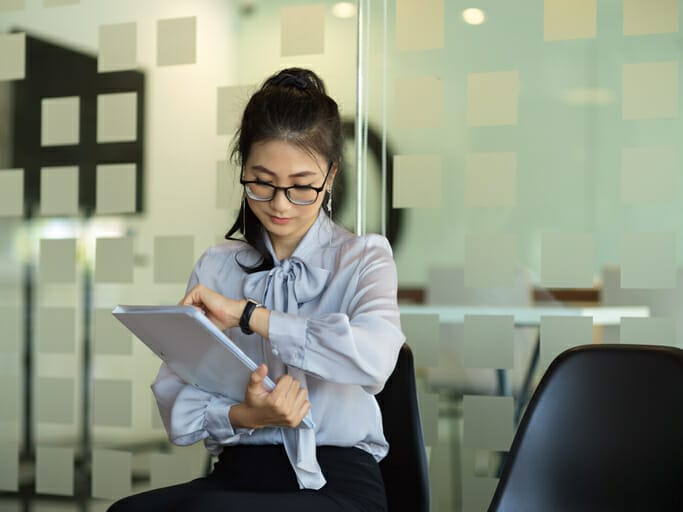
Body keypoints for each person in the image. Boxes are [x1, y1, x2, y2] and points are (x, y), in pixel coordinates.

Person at [108, 67, 405, 512]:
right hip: (237, 472)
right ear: (242, 169)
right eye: (262, 183)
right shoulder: (216, 267)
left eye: (302, 186)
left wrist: (250, 315)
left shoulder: (363, 258)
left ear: (331, 176)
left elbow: (375, 358)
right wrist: (247, 416)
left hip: (337, 480)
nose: (280, 204)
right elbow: (176, 394)